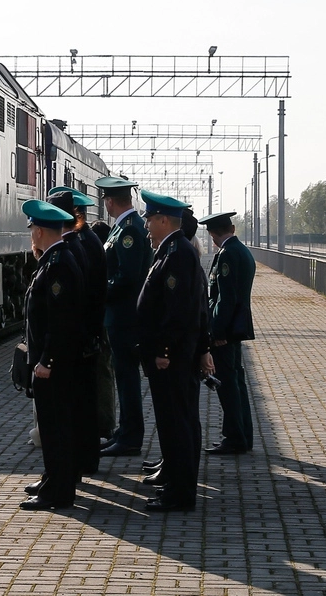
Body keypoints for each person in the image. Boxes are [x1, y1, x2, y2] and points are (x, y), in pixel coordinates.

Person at [136, 191, 212, 512]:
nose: (147, 226)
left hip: (173, 357)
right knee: (176, 422)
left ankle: (180, 494)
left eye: (150, 220)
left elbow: (179, 311)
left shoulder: (177, 253)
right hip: (175, 355)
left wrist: (164, 349)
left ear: (164, 220)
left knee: (177, 423)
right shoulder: (172, 250)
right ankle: (177, 485)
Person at [19, 199, 85, 511]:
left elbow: (61, 321)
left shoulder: (58, 265)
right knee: (55, 426)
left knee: (55, 427)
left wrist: (47, 360)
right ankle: (55, 480)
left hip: (53, 366)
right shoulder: (53, 260)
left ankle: (58, 492)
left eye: (33, 228)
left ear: (42, 231)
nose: (31, 233)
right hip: (53, 363)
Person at [48, 188, 107, 476]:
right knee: (85, 403)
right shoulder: (88, 241)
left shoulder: (73, 247)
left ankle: (78, 463)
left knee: (76, 406)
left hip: (80, 338)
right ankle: (86, 459)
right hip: (88, 336)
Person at [95, 176, 152, 457]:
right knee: (124, 377)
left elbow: (127, 277)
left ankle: (130, 437)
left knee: (128, 379)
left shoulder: (128, 230)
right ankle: (125, 431)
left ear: (109, 201)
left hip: (125, 317)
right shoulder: (124, 229)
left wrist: (99, 291)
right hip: (121, 316)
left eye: (105, 199)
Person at [198, 210, 256, 454]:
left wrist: (217, 331)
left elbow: (225, 298)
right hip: (236, 328)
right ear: (231, 228)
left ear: (212, 234)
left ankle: (234, 438)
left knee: (228, 386)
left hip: (227, 330)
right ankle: (243, 435)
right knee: (237, 383)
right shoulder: (242, 250)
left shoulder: (227, 255)